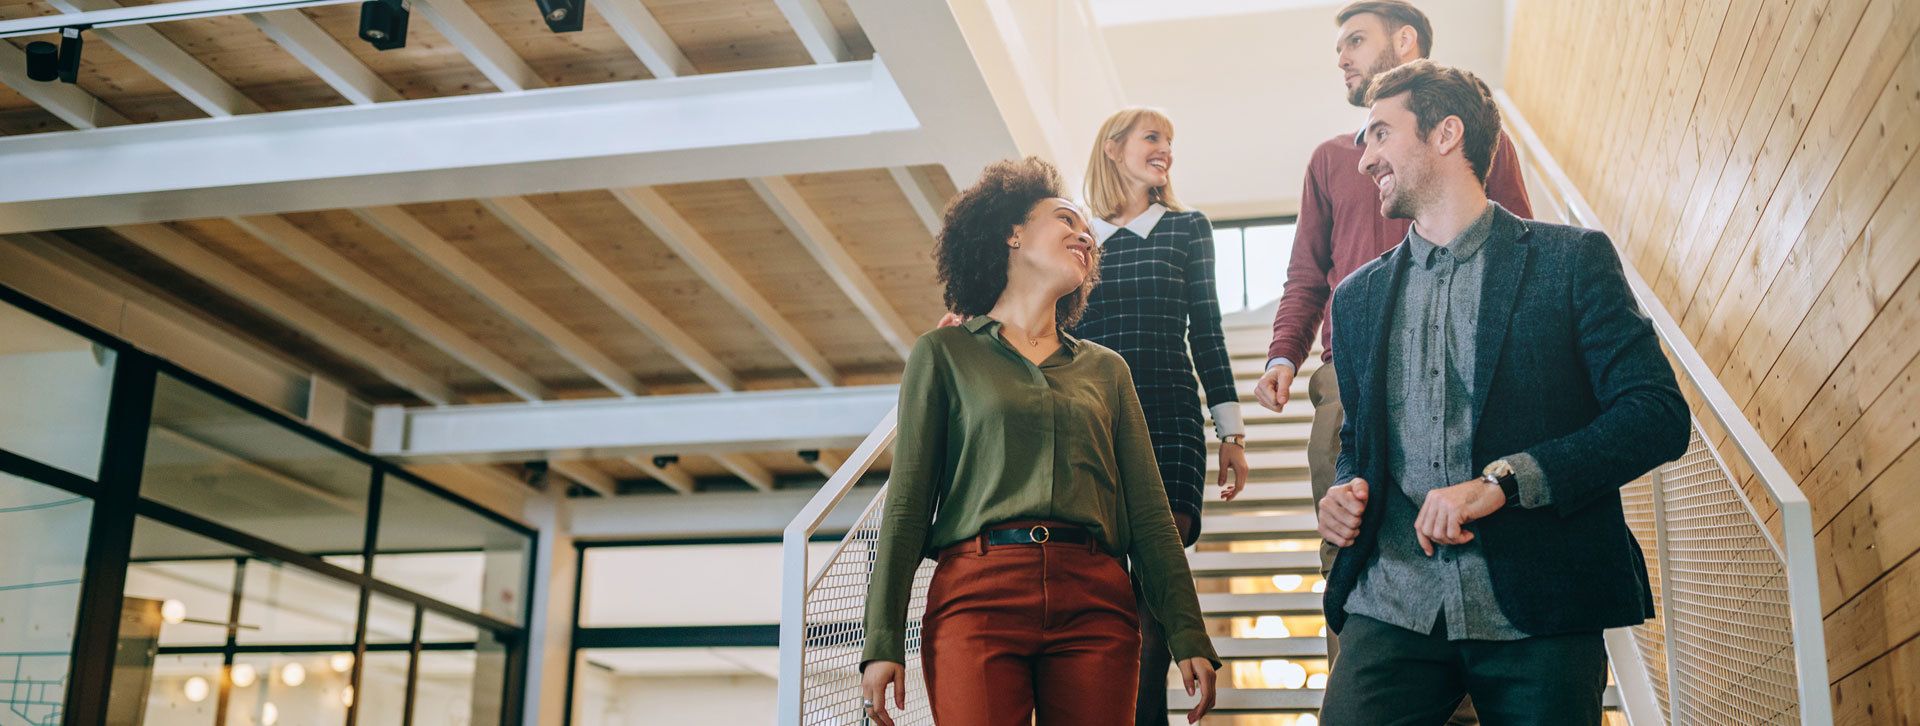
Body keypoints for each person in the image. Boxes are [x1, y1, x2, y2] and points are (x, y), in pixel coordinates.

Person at [1314, 60, 1688, 724]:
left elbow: (1656, 414)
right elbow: (1358, 445)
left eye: (1379, 133)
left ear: (1447, 133)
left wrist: (1507, 481)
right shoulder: (1355, 299)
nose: (1363, 155)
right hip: (1392, 603)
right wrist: (1345, 491)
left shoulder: (1572, 261)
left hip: (1541, 604)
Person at [860, 158, 1221, 725]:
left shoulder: (1107, 370)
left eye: (1087, 232)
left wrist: (1186, 631)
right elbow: (906, 504)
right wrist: (880, 641)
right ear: (1013, 232)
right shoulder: (945, 354)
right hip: (976, 599)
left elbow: (1150, 513)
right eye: (1064, 220)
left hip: (1097, 603)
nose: (1084, 236)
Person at [1250, 6, 1532, 720]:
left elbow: (1521, 247)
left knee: (1471, 537)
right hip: (1351, 381)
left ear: (1404, 41)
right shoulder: (1330, 160)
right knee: (1348, 543)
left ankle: (1464, 706)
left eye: (1354, 40)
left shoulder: (1477, 141)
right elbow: (1307, 272)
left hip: (1468, 373)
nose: (1341, 56)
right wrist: (1285, 350)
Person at [1071, 107, 1249, 724]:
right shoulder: (1080, 238)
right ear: (1114, 148)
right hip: (1092, 428)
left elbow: (1209, 330)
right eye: (1153, 138)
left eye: (1170, 140)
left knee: (1151, 589)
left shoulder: (1186, 228)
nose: (1166, 149)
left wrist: (1231, 431)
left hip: (1171, 422)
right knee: (1101, 594)